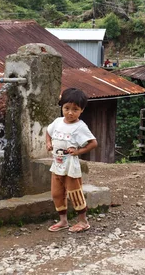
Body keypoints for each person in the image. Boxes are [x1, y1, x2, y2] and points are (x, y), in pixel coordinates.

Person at [46, 88, 98, 233]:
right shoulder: (57, 122)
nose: (70, 112)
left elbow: (93, 143)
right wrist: (48, 143)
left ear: (82, 110)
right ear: (61, 106)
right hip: (56, 165)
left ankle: (83, 221)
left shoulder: (80, 126)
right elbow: (48, 132)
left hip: (70, 167)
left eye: (75, 109)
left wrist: (78, 152)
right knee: (57, 193)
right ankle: (63, 221)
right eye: (66, 108)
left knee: (74, 193)